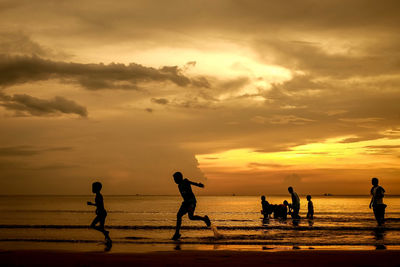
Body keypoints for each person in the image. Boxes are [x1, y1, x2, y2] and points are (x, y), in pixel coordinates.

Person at [172, 172, 211, 240]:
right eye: (174, 179)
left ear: (179, 178)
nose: (174, 180)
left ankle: (205, 219)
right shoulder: (179, 185)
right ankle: (177, 233)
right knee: (179, 215)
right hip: (185, 203)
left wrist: (199, 185)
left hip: (191, 202)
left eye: (175, 179)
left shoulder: (185, 181)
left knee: (191, 217)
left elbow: (192, 183)